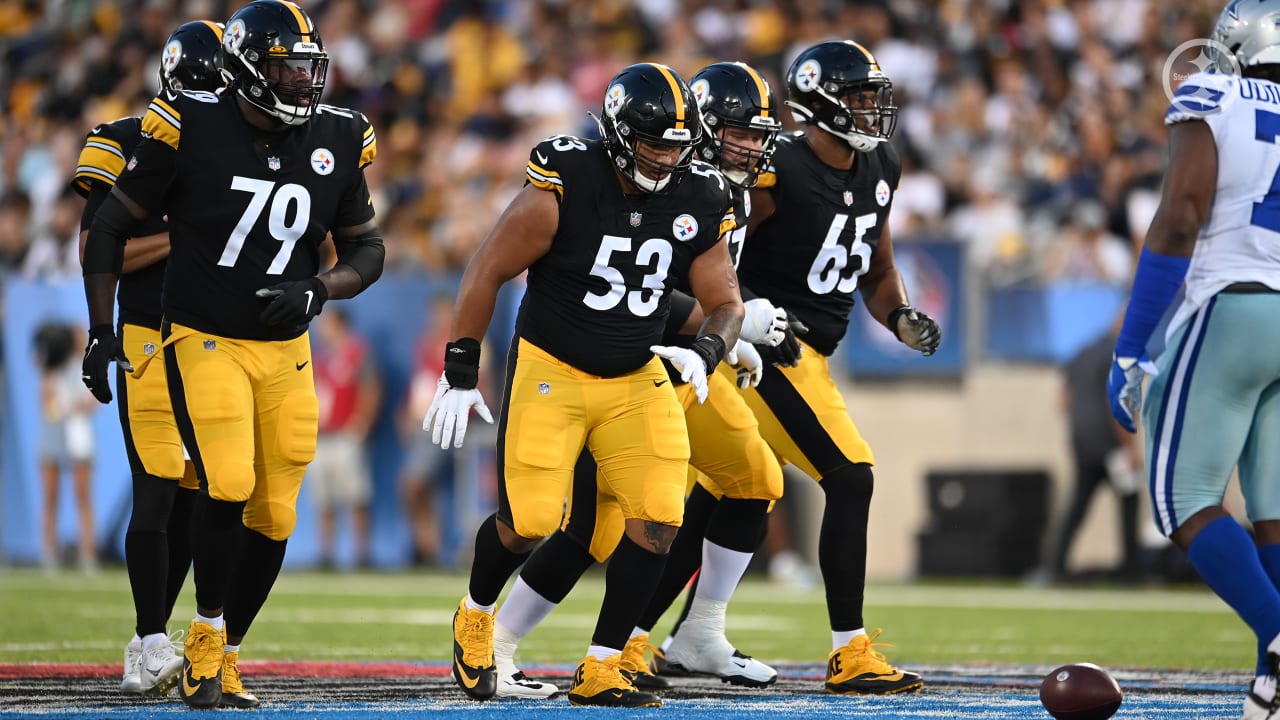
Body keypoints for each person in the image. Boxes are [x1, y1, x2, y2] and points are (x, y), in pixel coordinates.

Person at [79, 0, 384, 709]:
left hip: (287, 347)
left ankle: (226, 647)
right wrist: (101, 330)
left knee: (276, 513)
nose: (307, 83)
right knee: (221, 481)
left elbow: (367, 247)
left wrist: (321, 288)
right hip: (200, 335)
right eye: (289, 68)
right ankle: (190, 639)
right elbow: (107, 230)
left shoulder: (338, 135)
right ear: (247, 69)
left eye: (311, 68)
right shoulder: (184, 127)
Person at [424, 62, 743, 707]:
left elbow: (725, 301)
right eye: (655, 143)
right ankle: (476, 612)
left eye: (678, 146)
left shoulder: (700, 194)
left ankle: (601, 663)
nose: (667, 158)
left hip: (635, 370)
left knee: (659, 518)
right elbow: (486, 268)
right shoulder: (566, 180)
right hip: (553, 368)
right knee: (532, 521)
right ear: (620, 133)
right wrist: (461, 369)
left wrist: (707, 350)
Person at [485, 60, 791, 699]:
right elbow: (632, 290)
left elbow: (701, 289)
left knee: (730, 487)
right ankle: (504, 640)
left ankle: (681, 635)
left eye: (759, 134)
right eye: (737, 132)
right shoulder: (641, 182)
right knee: (591, 528)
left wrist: (722, 338)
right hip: (632, 362)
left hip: (686, 367)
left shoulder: (711, 190)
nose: (753, 146)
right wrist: (715, 325)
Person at [734, 40, 939, 695]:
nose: (871, 111)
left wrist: (899, 315)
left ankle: (667, 639)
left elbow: (877, 268)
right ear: (819, 103)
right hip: (762, 349)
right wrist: (733, 318)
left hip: (814, 356)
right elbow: (719, 248)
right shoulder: (777, 169)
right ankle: (849, 652)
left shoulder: (881, 163)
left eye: (873, 98)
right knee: (850, 477)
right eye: (856, 98)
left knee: (724, 497)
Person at [1105, 2, 1280, 717]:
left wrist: (1130, 347)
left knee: (1181, 500)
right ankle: (1272, 678)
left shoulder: (1213, 92)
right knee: (1272, 510)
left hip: (1232, 305)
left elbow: (1180, 214)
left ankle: (1277, 637)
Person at [71, 19, 225, 696]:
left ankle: (148, 637)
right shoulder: (128, 141)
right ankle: (150, 634)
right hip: (147, 333)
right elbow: (99, 249)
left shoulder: (237, 152)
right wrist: (183, 238)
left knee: (200, 494)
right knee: (157, 485)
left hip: (215, 339)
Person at [1045, 320, 1141, 584]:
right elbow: (1118, 402)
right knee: (1129, 498)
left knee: (1077, 505)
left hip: (1083, 442)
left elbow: (1064, 400)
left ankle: (1055, 566)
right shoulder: (1119, 355)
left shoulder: (1082, 352)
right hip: (1111, 446)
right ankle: (1130, 569)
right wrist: (1129, 447)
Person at [309, 306, 380, 570]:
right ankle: (325, 556)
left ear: (338, 323)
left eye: (325, 323)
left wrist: (361, 423)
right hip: (322, 435)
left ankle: (363, 555)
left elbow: (372, 386)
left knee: (355, 498)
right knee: (323, 500)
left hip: (345, 435)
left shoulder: (357, 352)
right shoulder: (321, 357)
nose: (320, 328)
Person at [34, 321, 97, 574]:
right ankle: (48, 553)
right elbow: (45, 401)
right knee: (50, 497)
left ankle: (87, 555)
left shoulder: (87, 366)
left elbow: (94, 401)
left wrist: (74, 407)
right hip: (53, 433)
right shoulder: (52, 366)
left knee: (83, 497)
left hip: (78, 433)